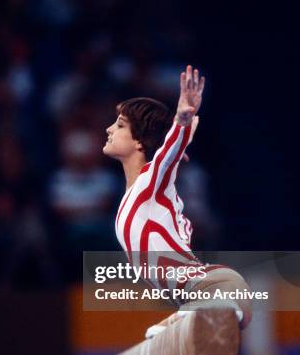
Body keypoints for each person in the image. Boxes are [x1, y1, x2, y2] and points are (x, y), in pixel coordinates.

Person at [103, 65, 252, 332]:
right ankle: (181, 321)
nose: (108, 129)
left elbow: (166, 156)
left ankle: (190, 318)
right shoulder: (140, 195)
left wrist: (182, 122)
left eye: (120, 125)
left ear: (139, 142)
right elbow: (167, 156)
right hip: (196, 295)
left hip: (215, 286)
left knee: (187, 331)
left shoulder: (150, 180)